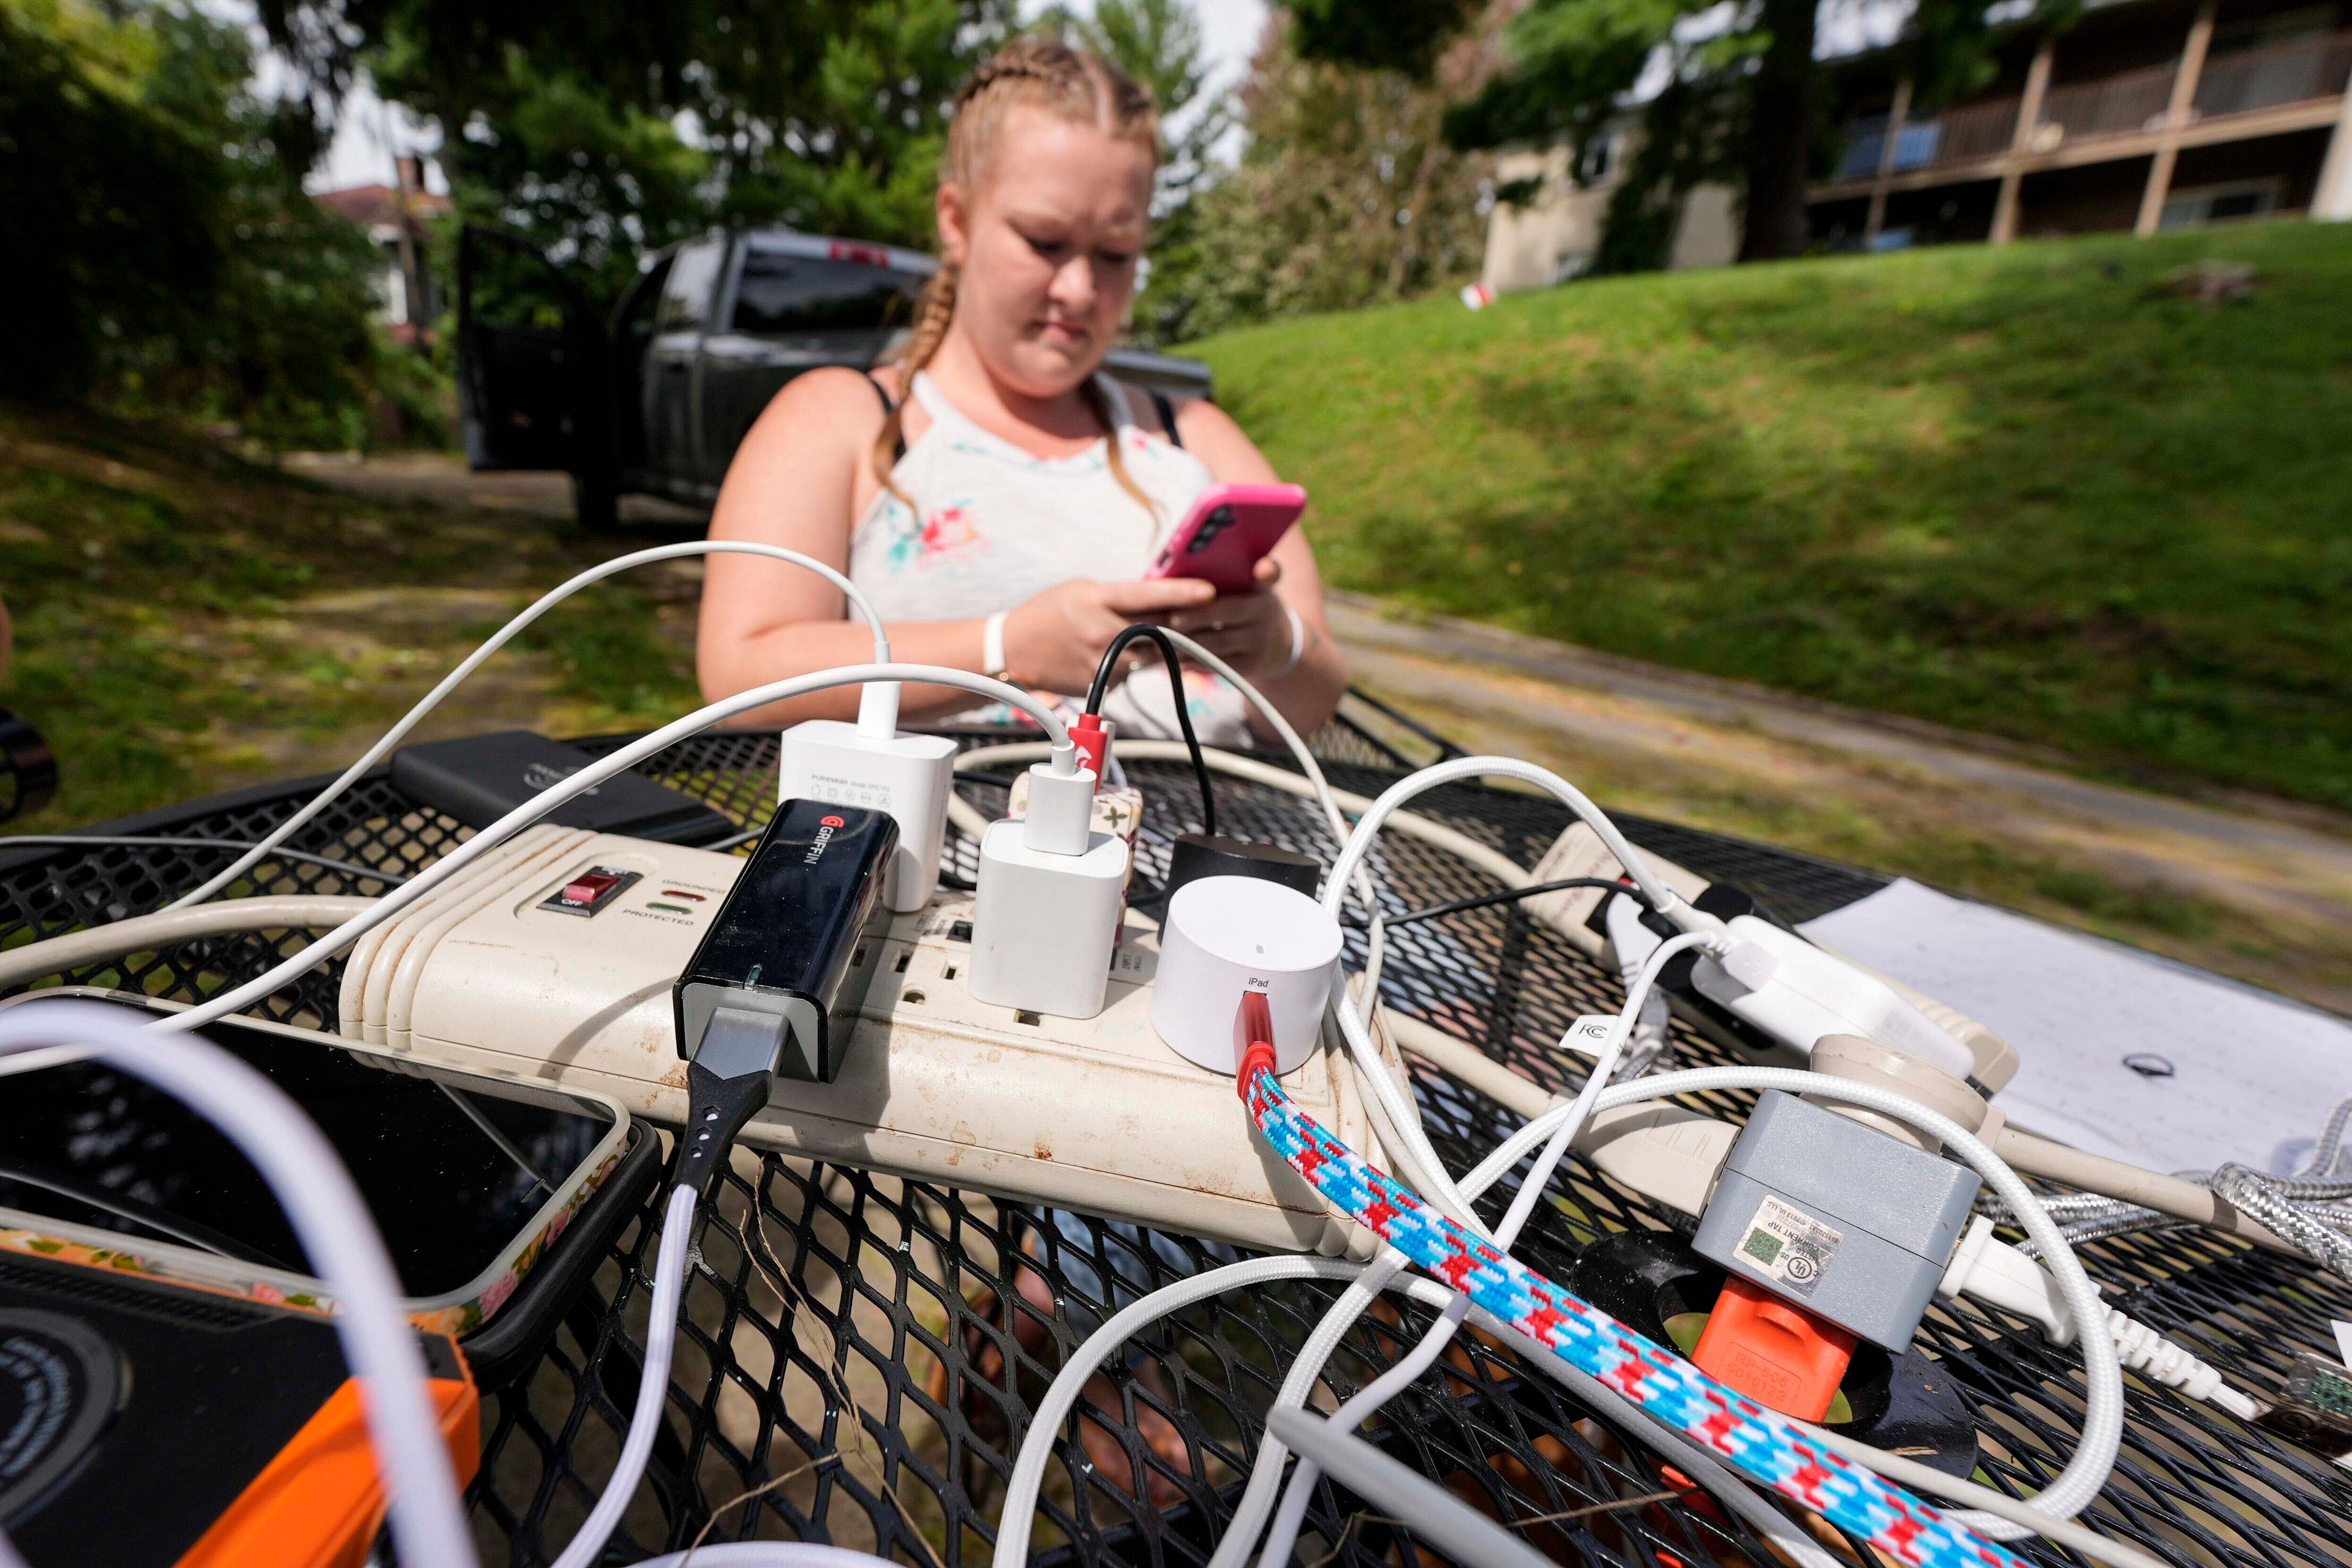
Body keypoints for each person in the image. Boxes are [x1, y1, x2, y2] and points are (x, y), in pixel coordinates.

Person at [694, 38, 1346, 747]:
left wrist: (1275, 643)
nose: (1079, 289)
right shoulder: (839, 420)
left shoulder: (1191, 433)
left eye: (1115, 255)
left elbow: (1312, 702)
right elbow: (739, 671)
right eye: (1044, 241)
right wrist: (1005, 648)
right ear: (956, 220)